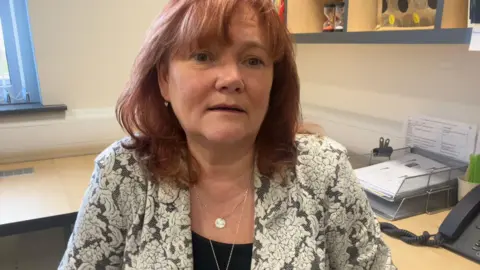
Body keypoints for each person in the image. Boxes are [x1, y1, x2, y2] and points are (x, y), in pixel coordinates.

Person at [59, 0, 396, 269]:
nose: (231, 78)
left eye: (253, 60)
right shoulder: (122, 174)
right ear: (164, 79)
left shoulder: (324, 171)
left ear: (273, 83)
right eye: (203, 56)